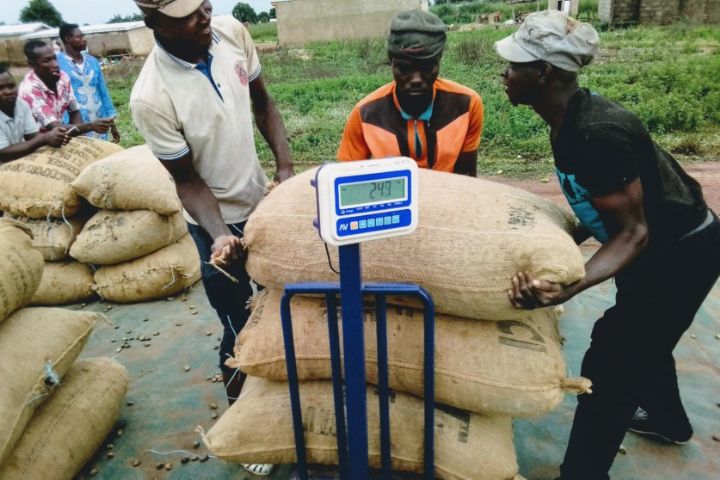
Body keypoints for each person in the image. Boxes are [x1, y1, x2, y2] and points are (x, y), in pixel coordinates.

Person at [496, 11, 720, 480]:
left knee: (613, 359)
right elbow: (604, 207)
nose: (505, 72)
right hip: (659, 250)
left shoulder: (596, 133)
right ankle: (668, 420)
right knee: (643, 338)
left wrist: (569, 286)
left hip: (681, 254)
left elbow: (632, 232)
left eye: (515, 63)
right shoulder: (570, 118)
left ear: (544, 74)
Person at [130, 1, 293, 474]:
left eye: (204, 4)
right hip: (214, 222)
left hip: (266, 201)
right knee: (238, 327)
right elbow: (187, 182)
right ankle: (245, 430)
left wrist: (283, 170)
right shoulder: (151, 96)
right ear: (154, 23)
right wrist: (221, 235)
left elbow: (264, 103)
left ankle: (283, 401)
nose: (204, 15)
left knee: (284, 308)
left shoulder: (232, 33)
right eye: (187, 13)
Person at [337, 9, 484, 176]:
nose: (416, 79)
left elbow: (467, 179)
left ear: (439, 60)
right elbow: (347, 180)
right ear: (391, 62)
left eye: (426, 67)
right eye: (405, 68)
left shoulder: (466, 105)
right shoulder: (365, 114)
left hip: (447, 198)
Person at [18, 40, 113, 138]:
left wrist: (80, 136)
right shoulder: (29, 90)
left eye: (54, 58)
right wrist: (89, 126)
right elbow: (55, 128)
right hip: (38, 143)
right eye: (47, 61)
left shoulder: (62, 77)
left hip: (60, 136)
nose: (55, 64)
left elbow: (74, 111)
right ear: (32, 64)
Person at [57, 23, 120, 143]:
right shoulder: (57, 64)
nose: (84, 39)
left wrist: (112, 125)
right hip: (75, 126)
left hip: (99, 122)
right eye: (79, 37)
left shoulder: (93, 62)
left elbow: (103, 93)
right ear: (67, 39)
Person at [0, 63, 69, 164]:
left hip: (15, 163)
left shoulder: (21, 104)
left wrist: (55, 137)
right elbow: (3, 153)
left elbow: (32, 136)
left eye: (11, 86)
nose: (8, 91)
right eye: (1, 88)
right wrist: (44, 138)